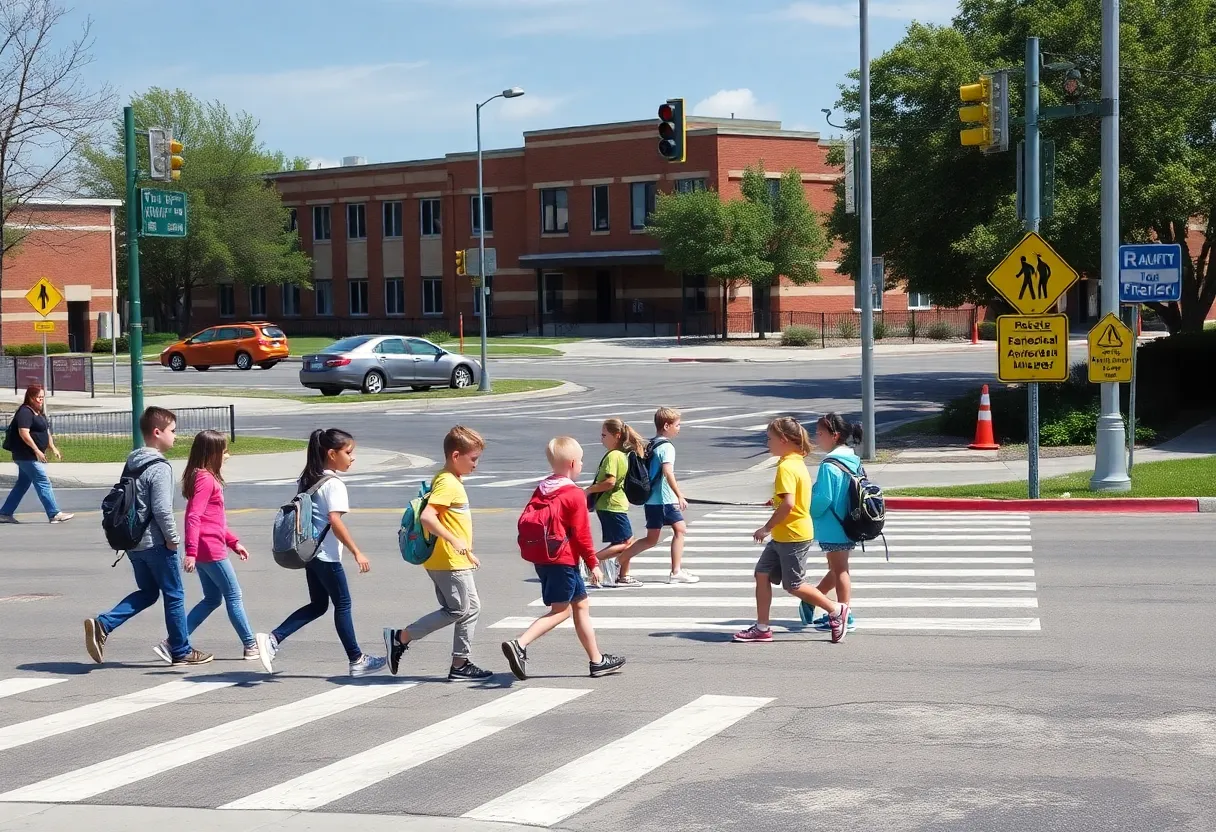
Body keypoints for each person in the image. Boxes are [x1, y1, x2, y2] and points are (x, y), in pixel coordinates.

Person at [84, 407, 212, 665]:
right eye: (172, 431)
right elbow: (163, 509)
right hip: (155, 543)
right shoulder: (160, 467)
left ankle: (103, 624)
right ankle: (181, 650)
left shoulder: (133, 460)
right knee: (174, 594)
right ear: (157, 432)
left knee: (148, 592)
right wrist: (173, 539)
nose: (176, 436)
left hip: (133, 543)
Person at [255, 429, 385, 677]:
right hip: (325, 555)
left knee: (318, 605)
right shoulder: (333, 484)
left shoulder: (308, 477)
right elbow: (335, 521)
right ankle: (356, 659)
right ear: (331, 454)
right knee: (343, 603)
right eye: (348, 453)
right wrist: (357, 552)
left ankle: (273, 639)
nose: (352, 458)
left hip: (310, 553)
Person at [501, 436, 625, 680]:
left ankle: (597, 660)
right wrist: (593, 564)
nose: (581, 465)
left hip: (544, 557)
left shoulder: (542, 488)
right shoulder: (574, 494)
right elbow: (582, 535)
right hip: (562, 560)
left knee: (580, 606)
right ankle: (520, 644)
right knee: (561, 611)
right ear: (571, 463)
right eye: (580, 461)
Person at [383, 426, 493, 682]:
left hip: (450, 559)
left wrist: (466, 551)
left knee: (470, 608)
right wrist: (456, 541)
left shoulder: (448, 479)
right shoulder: (447, 482)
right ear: (456, 456)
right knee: (458, 610)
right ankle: (401, 638)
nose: (476, 465)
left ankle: (460, 663)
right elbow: (428, 516)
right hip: (448, 560)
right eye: (473, 459)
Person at [733, 417, 850, 644]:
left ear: (783, 440)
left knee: (794, 585)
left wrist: (766, 528)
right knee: (762, 573)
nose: (767, 444)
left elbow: (788, 504)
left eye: (770, 439)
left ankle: (836, 610)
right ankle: (762, 627)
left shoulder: (786, 466)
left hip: (792, 535)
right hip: (786, 534)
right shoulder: (796, 461)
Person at [152, 430, 256, 664]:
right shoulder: (206, 479)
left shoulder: (202, 476)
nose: (228, 455)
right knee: (234, 595)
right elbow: (194, 517)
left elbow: (214, 520)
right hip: (208, 549)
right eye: (224, 451)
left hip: (207, 546)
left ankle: (173, 642)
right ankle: (250, 644)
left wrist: (233, 542)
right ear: (212, 454)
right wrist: (191, 551)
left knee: (212, 598)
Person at [615, 407, 697, 586]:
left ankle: (617, 562)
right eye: (677, 425)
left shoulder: (651, 444)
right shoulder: (666, 447)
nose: (679, 428)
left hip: (651, 500)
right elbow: (668, 473)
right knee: (680, 530)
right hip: (664, 499)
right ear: (666, 426)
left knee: (651, 539)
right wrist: (680, 495)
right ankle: (675, 572)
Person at [804, 412, 866, 644]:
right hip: (849, 521)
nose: (817, 437)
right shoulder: (852, 459)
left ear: (835, 435)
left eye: (820, 434)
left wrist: (807, 509)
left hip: (833, 524)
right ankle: (818, 601)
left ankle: (844, 614)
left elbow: (823, 498)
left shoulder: (829, 465)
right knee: (837, 567)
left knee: (839, 569)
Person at [583, 418, 645, 588]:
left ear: (617, 436)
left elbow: (610, 481)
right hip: (611, 505)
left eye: (604, 435)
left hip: (612, 505)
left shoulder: (614, 455)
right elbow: (611, 482)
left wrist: (589, 490)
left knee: (624, 542)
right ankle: (593, 564)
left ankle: (617, 573)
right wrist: (590, 490)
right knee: (625, 543)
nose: (601, 438)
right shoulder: (619, 455)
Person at [1, 383, 72, 524]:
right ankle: (54, 513)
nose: (40, 400)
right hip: (25, 455)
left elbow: (46, 431)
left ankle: (5, 513)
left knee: (22, 484)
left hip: (30, 456)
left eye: (42, 397)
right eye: (38, 397)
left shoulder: (39, 412)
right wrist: (37, 450)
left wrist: (53, 447)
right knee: (43, 481)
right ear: (30, 397)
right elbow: (24, 433)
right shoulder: (25, 412)